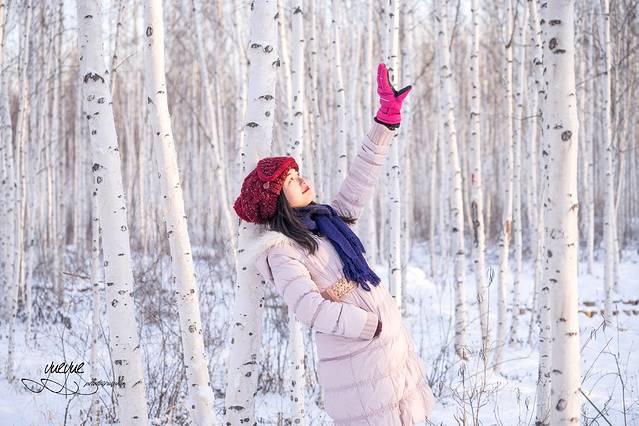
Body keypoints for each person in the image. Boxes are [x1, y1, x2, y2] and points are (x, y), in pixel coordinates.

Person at [233, 63, 435, 425]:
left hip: (388, 354)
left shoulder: (323, 223)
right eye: (290, 181)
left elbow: (361, 179)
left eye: (297, 173)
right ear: (277, 200)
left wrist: (384, 123)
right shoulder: (281, 249)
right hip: (360, 362)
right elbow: (309, 308)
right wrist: (368, 326)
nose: (302, 180)